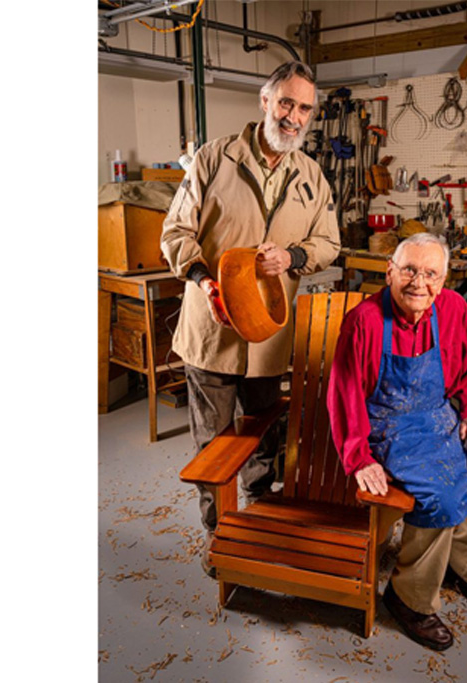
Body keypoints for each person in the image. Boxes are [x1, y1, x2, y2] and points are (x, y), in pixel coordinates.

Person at [161, 61, 341, 576]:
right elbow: (176, 234)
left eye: (304, 108)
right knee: (214, 444)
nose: (294, 116)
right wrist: (203, 280)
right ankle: (220, 534)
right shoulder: (213, 159)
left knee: (266, 436)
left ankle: (260, 516)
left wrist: (293, 258)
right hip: (212, 330)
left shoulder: (311, 176)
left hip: (269, 337)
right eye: (286, 102)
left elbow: (329, 242)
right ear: (265, 101)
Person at [327, 232, 467, 651]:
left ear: (444, 278)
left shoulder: (451, 308)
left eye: (430, 273)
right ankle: (408, 599)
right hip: (386, 425)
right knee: (438, 496)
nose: (419, 282)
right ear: (390, 272)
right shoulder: (364, 320)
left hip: (440, 418)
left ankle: (465, 567)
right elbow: (343, 393)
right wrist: (359, 456)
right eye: (409, 270)